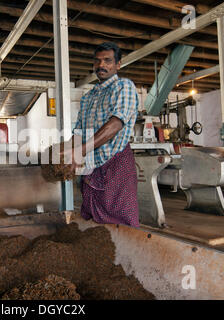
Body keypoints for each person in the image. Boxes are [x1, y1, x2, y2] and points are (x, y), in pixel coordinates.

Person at [65, 42, 140, 227]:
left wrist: (80, 150)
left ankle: (127, 254)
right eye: (97, 61)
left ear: (118, 64)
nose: (101, 65)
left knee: (121, 219)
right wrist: (64, 151)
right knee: (92, 217)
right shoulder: (88, 96)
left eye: (107, 60)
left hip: (116, 163)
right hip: (91, 166)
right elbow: (78, 131)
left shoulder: (124, 87)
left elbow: (115, 124)